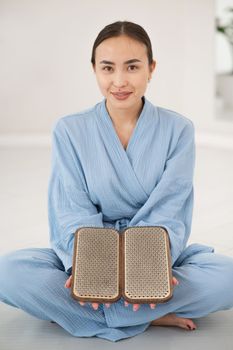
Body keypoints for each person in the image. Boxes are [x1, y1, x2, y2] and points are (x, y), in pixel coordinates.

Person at [0, 20, 233, 343]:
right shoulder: (70, 130)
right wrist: (89, 272)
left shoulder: (178, 130)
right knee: (7, 272)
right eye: (107, 68)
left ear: (151, 69)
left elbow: (171, 207)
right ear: (94, 70)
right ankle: (149, 313)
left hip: (156, 254)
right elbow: (71, 207)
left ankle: (79, 312)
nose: (120, 81)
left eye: (133, 67)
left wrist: (150, 272)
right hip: (89, 252)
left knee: (228, 277)